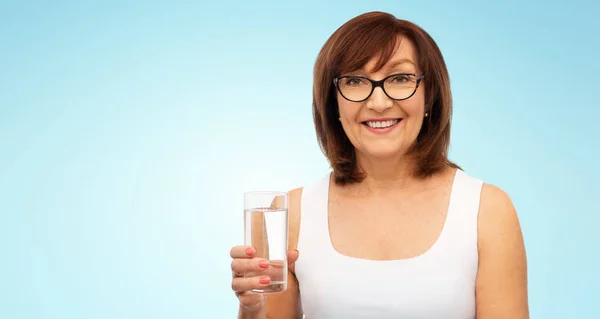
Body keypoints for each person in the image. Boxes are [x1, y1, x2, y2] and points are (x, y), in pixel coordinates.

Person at [229, 11, 529, 319]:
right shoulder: (288, 213)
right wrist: (250, 310)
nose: (379, 102)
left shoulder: (487, 210)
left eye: (400, 78)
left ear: (429, 97)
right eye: (356, 81)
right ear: (334, 104)